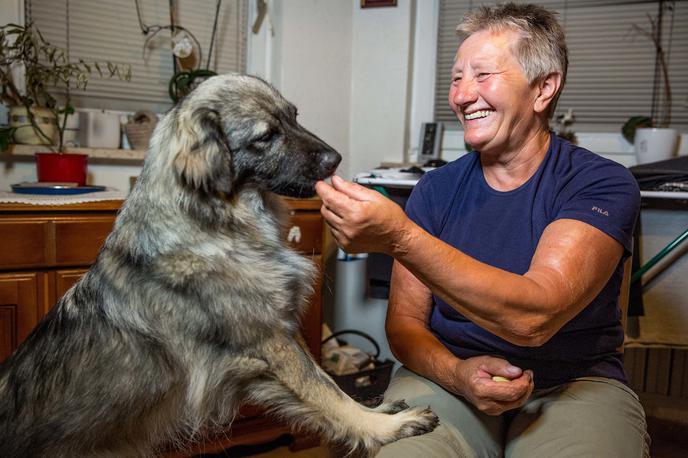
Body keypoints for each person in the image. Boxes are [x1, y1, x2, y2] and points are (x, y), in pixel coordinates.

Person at [316, 3, 649, 457]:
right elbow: (404, 326)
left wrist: (400, 238)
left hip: (573, 382)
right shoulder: (434, 190)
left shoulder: (600, 183)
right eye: (456, 78)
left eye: (483, 75)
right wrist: (457, 374)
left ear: (544, 88)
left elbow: (533, 319)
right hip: (447, 374)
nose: (462, 95)